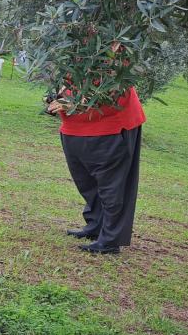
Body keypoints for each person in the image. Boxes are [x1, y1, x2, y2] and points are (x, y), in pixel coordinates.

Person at [47, 81, 146, 254]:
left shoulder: (116, 55)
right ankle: (96, 225)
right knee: (86, 182)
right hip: (74, 127)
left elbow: (114, 88)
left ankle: (110, 239)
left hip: (111, 127)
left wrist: (74, 103)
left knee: (112, 187)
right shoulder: (72, 54)